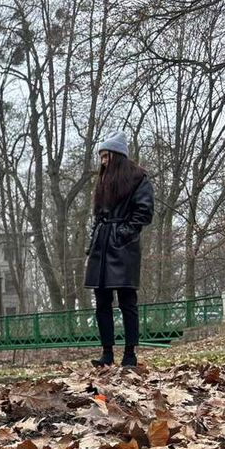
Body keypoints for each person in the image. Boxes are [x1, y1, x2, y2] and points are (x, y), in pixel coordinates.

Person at [84, 131, 154, 368]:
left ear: (117, 156)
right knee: (101, 300)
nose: (103, 161)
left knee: (127, 300)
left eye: (106, 156)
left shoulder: (138, 179)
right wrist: (92, 242)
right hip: (101, 245)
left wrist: (123, 234)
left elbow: (144, 212)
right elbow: (98, 216)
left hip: (123, 247)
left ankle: (130, 354)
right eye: (101, 157)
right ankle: (106, 353)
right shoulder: (103, 182)